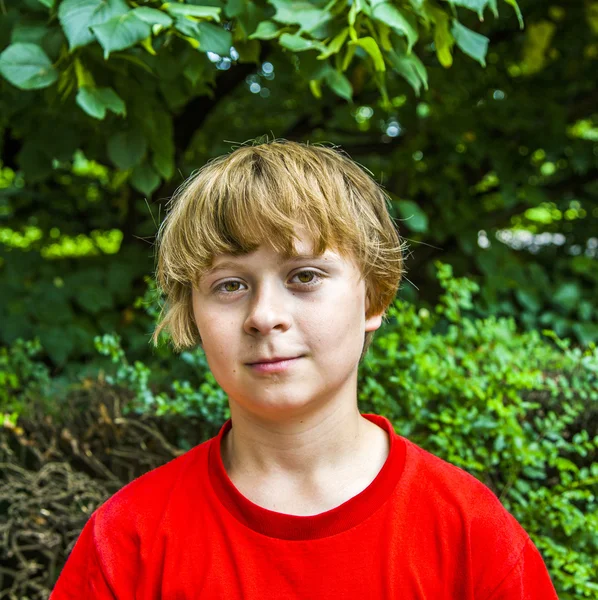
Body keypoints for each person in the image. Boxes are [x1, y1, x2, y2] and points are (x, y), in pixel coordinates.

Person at [50, 139, 559, 598]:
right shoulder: (127, 541)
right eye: (229, 285)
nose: (264, 316)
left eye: (305, 276)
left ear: (375, 296)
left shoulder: (471, 535)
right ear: (194, 313)